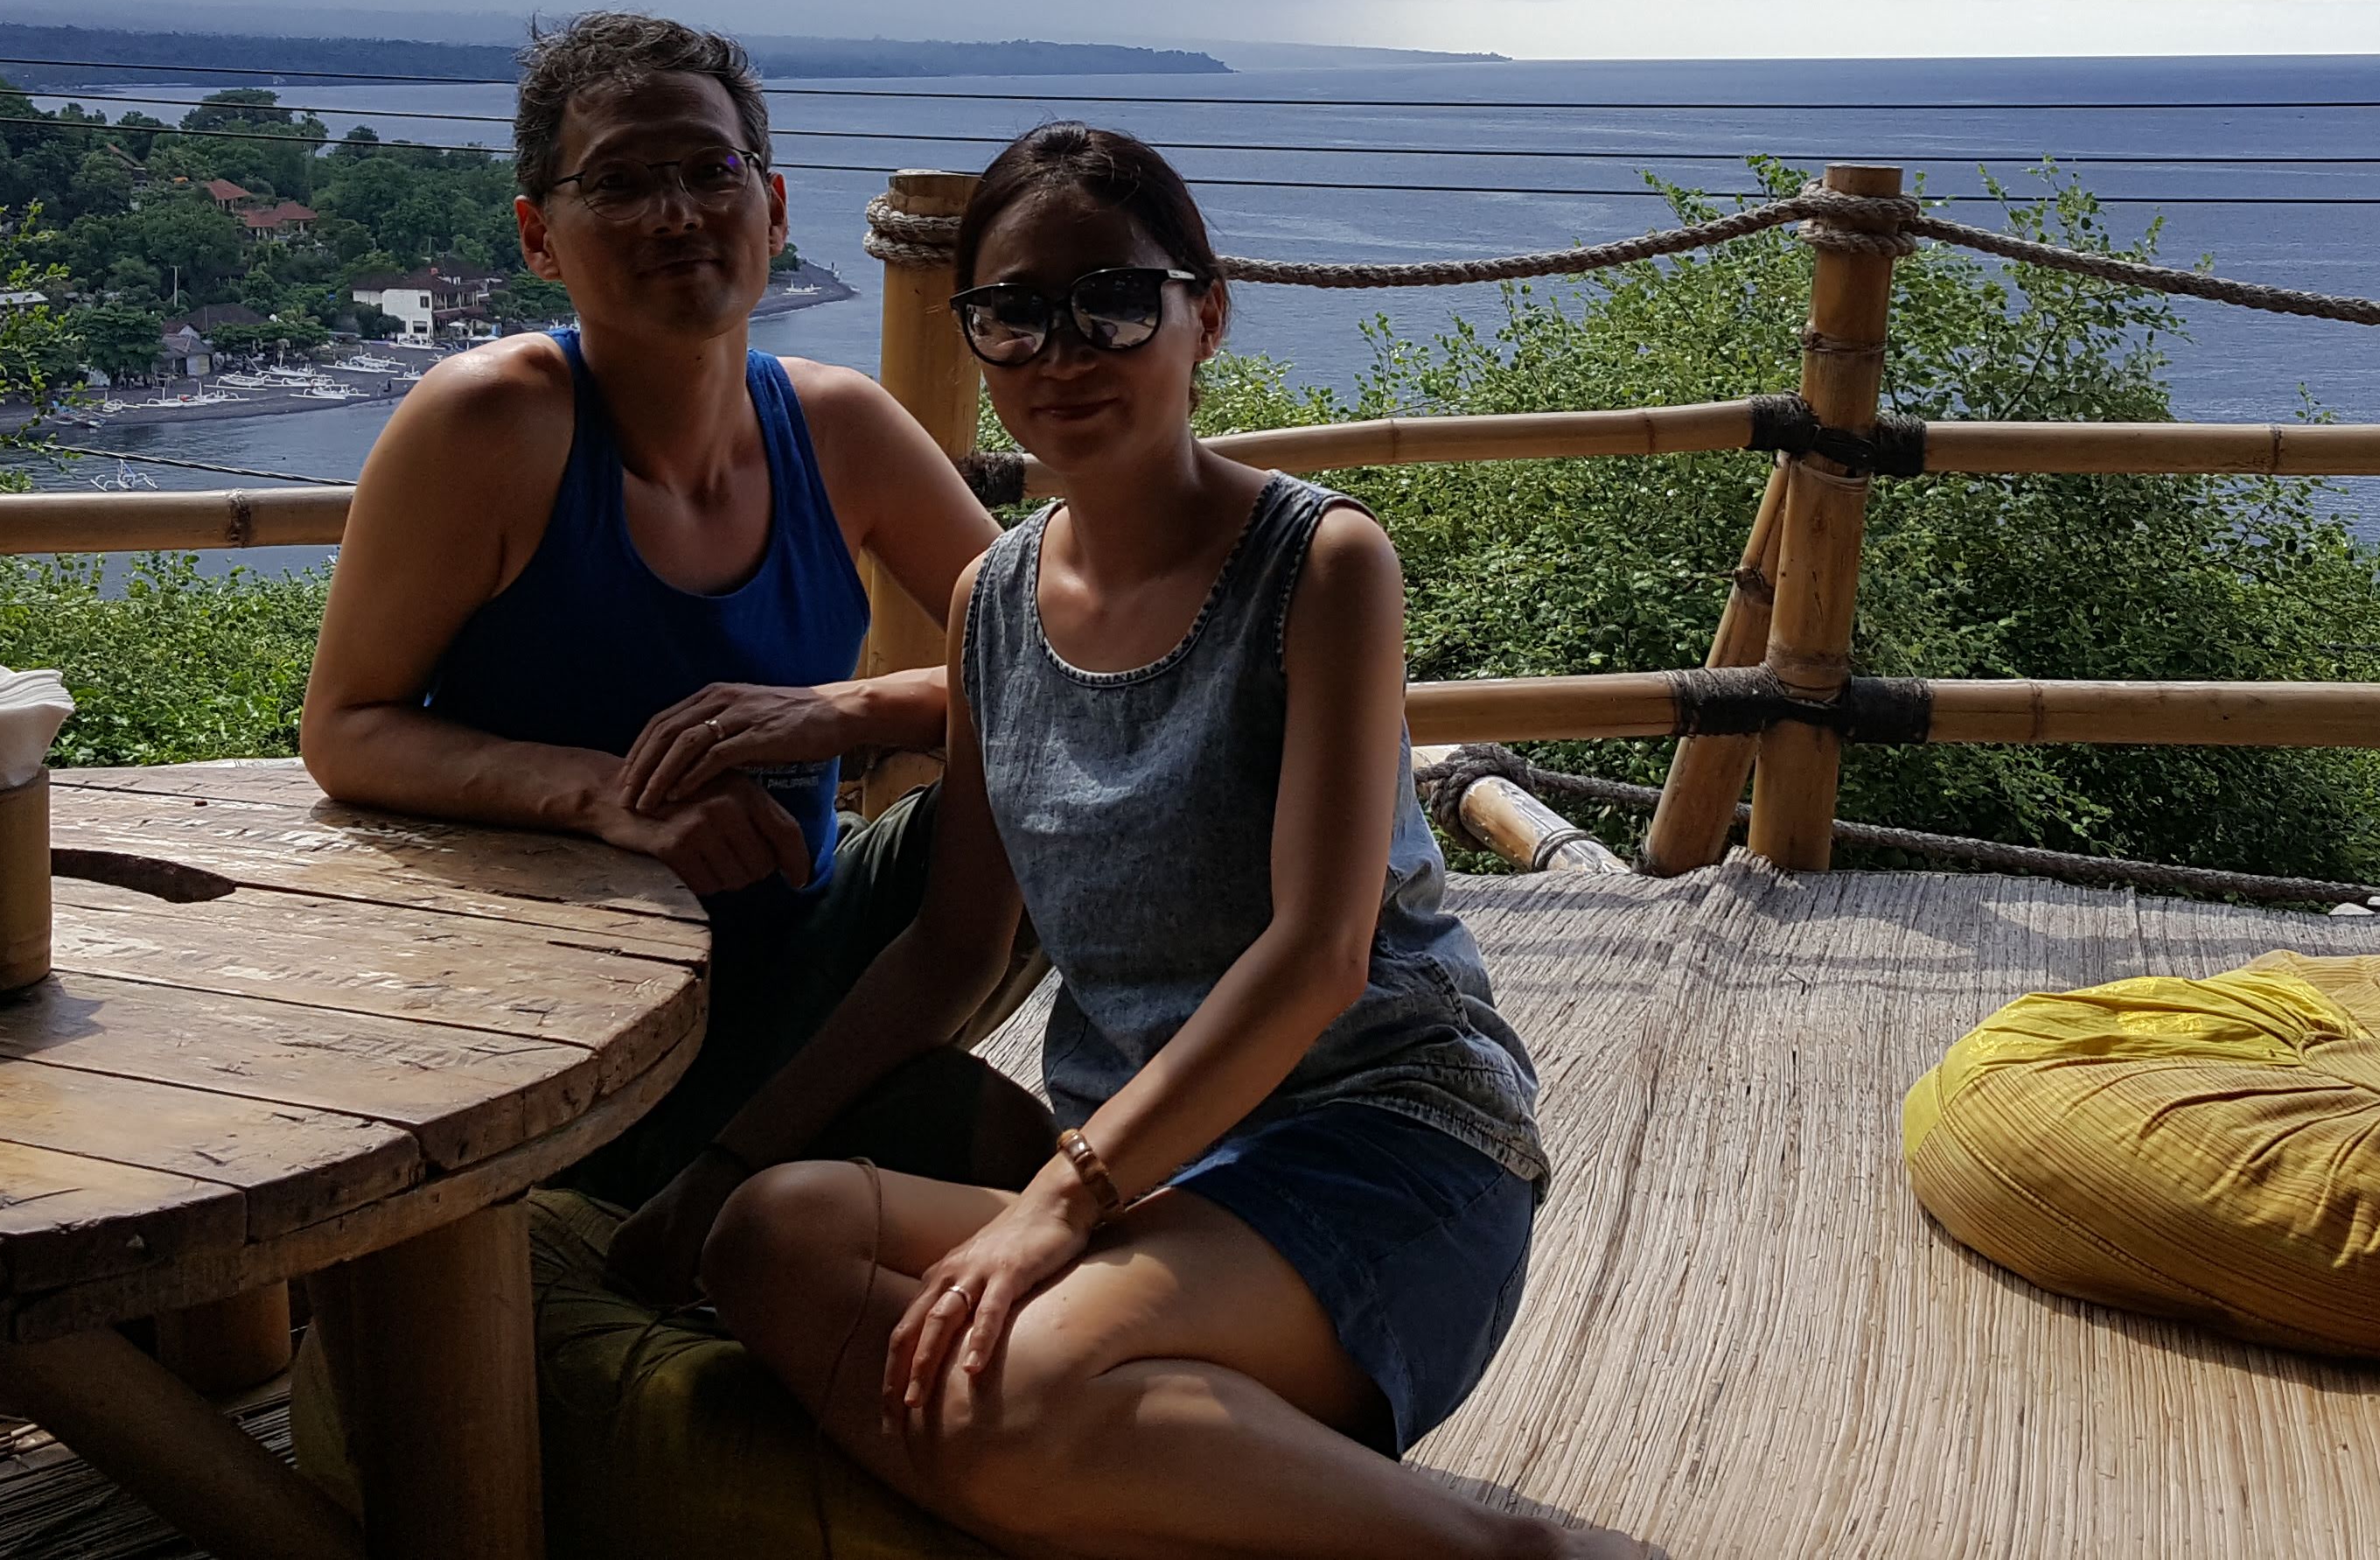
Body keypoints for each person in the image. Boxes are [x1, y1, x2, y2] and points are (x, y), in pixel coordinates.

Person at [620, 123, 1657, 1560]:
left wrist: (1059, 1203)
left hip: (1376, 1143)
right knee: (769, 1237)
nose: (1061, 352)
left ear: (1205, 314)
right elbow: (950, 950)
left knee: (1020, 1388)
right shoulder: (992, 601)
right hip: (1144, 1178)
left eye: (1113, 301)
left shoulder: (1319, 564)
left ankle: (1511, 1548)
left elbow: (1319, 956)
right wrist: (720, 1161)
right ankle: (1151, 1472)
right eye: (1012, 314)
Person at [301, 12, 1045, 1201]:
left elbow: (1070, 667)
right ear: (539, 237)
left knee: (1063, 783)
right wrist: (606, 795)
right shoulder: (490, 423)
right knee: (965, 1146)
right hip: (555, 995)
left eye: (711, 171)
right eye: (620, 184)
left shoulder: (840, 429)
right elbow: (345, 729)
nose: (677, 214)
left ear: (775, 209)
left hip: (798, 945)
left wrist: (840, 712)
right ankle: (694, 1174)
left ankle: (737, 1161)